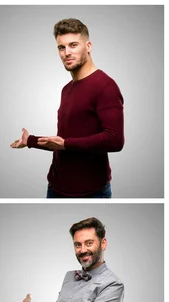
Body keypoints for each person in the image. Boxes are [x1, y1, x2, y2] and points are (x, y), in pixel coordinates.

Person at [10, 18, 124, 198]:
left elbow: (115, 140)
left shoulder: (105, 86)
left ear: (88, 46)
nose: (66, 53)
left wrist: (65, 144)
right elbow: (66, 141)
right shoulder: (67, 89)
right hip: (56, 186)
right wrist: (30, 141)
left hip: (91, 191)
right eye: (61, 48)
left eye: (73, 45)